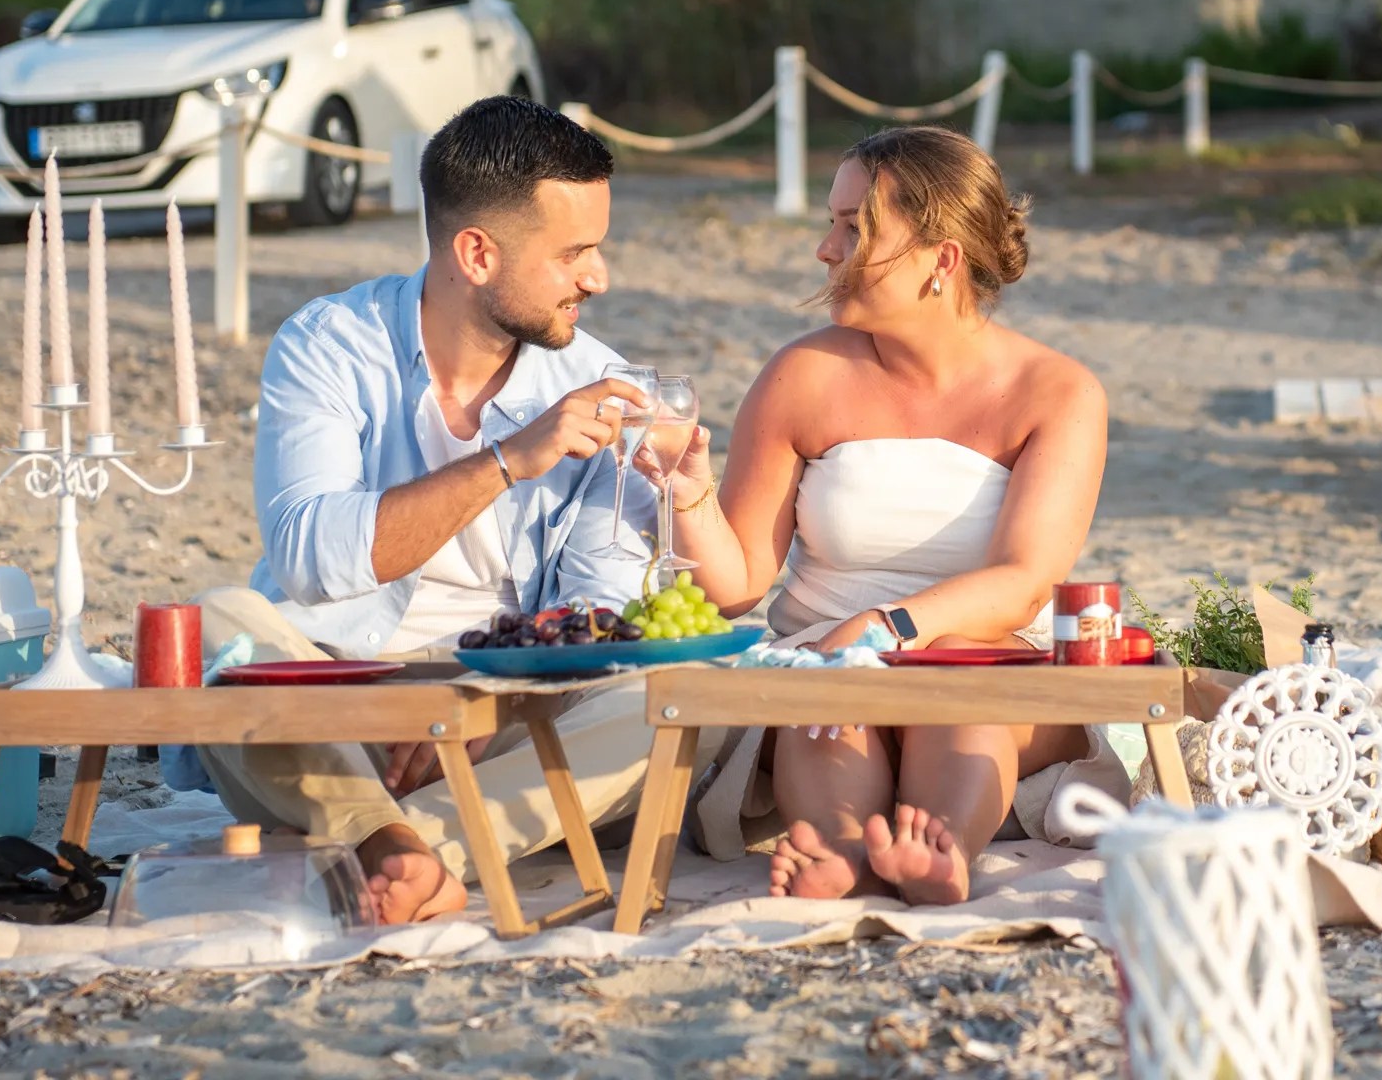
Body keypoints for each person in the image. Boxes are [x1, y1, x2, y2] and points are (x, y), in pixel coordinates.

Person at [194, 95, 689, 925]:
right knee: (223, 626)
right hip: (341, 688)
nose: (598, 278)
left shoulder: (600, 384)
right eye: (575, 254)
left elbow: (601, 607)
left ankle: (388, 845)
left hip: (506, 698)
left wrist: (481, 703)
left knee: (673, 690)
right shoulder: (327, 343)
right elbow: (309, 558)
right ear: (477, 252)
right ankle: (407, 844)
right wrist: (506, 461)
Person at [640, 125, 1123, 907]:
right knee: (830, 701)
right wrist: (687, 490)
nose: (825, 250)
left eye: (853, 227)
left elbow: (1025, 582)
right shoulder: (802, 375)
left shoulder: (1058, 391)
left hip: (984, 659)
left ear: (943, 260)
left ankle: (942, 849)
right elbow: (736, 589)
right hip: (827, 673)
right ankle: (841, 852)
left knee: (956, 673)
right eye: (831, 223)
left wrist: (884, 627)